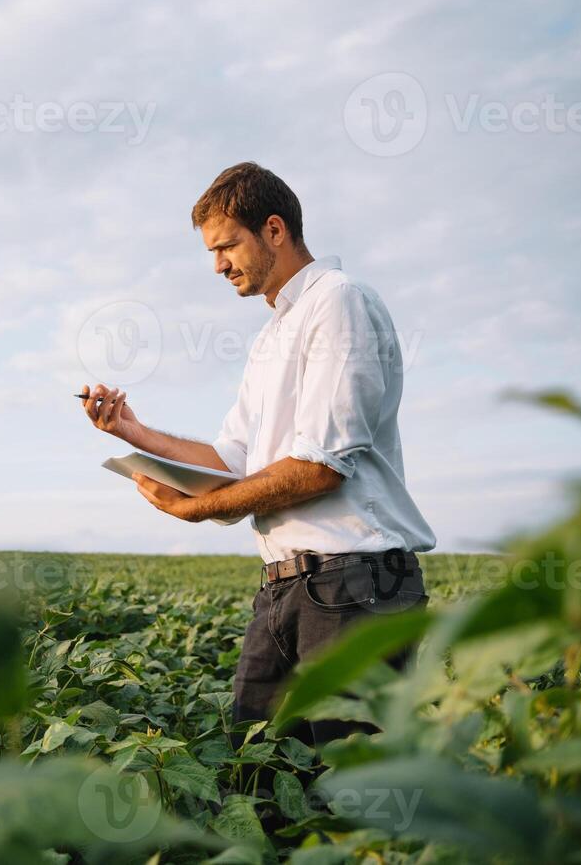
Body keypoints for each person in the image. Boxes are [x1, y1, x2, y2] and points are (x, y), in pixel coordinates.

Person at [81, 161, 435, 746]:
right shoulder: (272, 336)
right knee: (259, 772)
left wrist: (197, 511)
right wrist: (131, 432)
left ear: (274, 230)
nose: (218, 266)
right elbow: (232, 459)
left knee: (348, 792)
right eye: (211, 252)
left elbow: (320, 468)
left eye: (226, 246)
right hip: (286, 588)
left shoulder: (338, 301)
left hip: (354, 583)